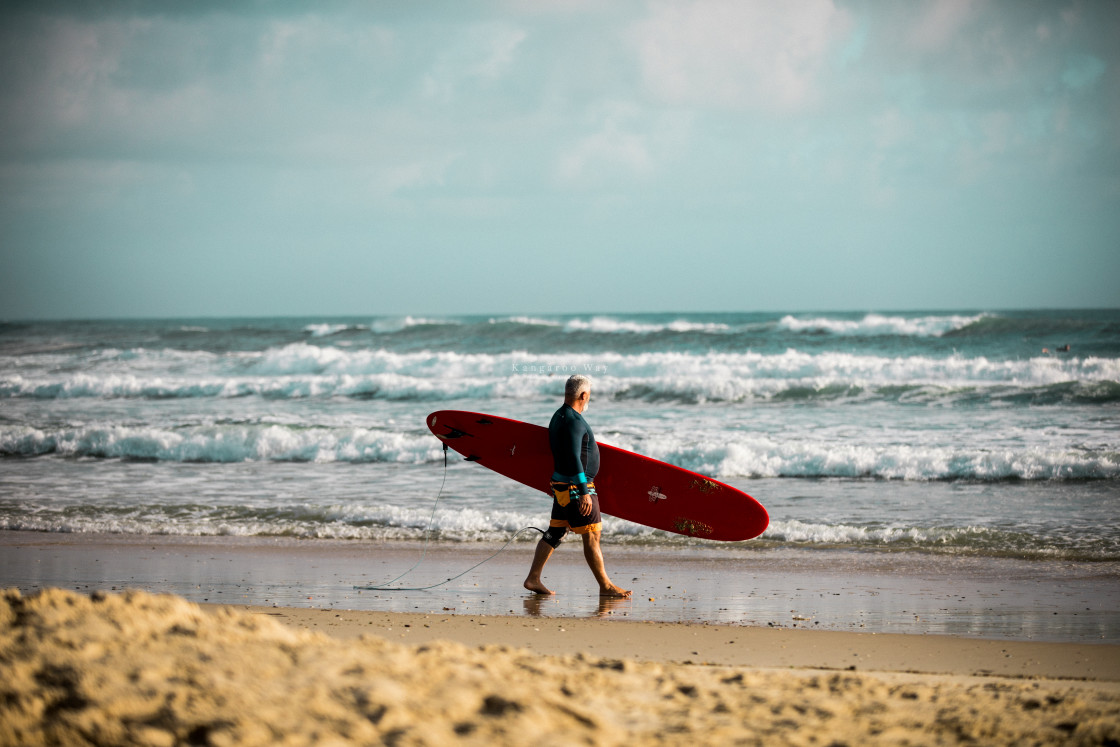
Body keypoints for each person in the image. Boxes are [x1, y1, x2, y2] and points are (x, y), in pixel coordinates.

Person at [523, 374, 631, 598]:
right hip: (576, 489)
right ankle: (606, 586)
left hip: (563, 486)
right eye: (589, 395)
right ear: (583, 395)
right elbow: (573, 455)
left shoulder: (558, 416)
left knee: (555, 533)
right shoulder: (573, 420)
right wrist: (584, 492)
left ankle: (533, 578)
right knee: (592, 536)